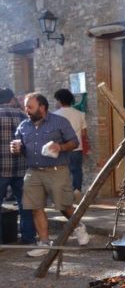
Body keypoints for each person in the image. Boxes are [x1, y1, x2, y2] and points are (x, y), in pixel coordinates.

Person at [11, 93, 89, 256]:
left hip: (57, 170)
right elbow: (20, 146)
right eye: (25, 107)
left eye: (30, 107)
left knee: (64, 206)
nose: (26, 110)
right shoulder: (23, 126)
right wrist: (16, 149)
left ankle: (79, 226)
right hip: (33, 172)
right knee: (35, 208)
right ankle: (45, 243)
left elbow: (74, 142)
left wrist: (60, 147)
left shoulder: (59, 122)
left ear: (42, 108)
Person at [0, 88, 34, 245]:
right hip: (22, 168)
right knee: (25, 205)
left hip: (1, 169)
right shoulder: (23, 115)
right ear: (11, 99)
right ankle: (28, 237)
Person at [53, 88, 88, 201]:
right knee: (77, 170)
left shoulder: (55, 115)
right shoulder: (80, 114)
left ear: (59, 100)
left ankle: (65, 195)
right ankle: (77, 190)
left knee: (62, 172)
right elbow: (83, 133)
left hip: (61, 149)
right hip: (77, 147)